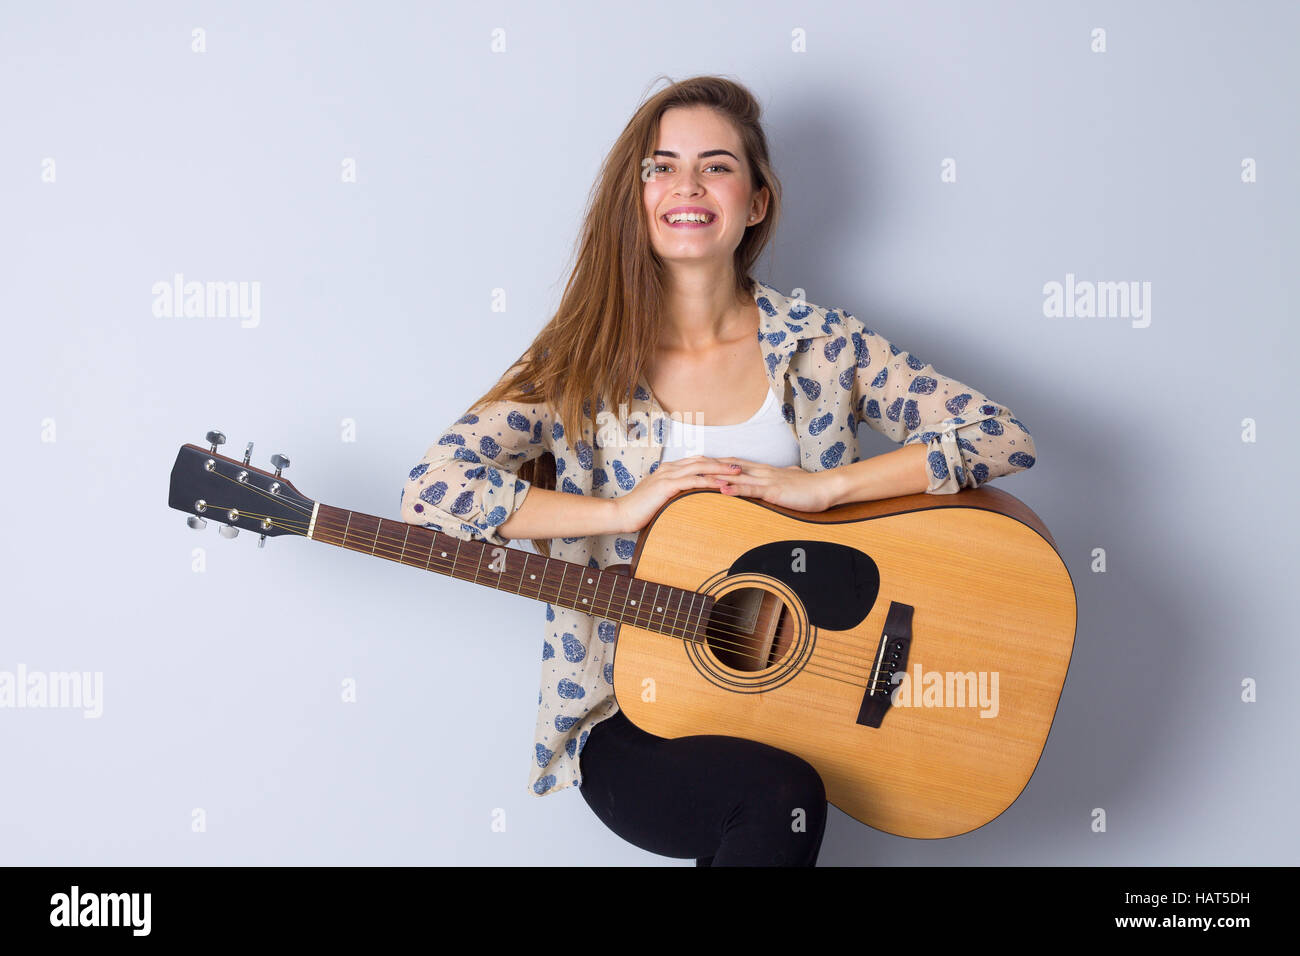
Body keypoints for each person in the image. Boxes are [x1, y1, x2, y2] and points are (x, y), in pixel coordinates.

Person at [399, 75, 1036, 866]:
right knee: (774, 798)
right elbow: (432, 489)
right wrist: (619, 511)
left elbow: (998, 436)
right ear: (636, 196)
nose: (686, 187)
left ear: (757, 201)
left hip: (809, 698)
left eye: (717, 166)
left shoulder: (824, 345)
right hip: (630, 714)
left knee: (777, 791)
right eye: (660, 167)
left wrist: (824, 487)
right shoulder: (580, 358)